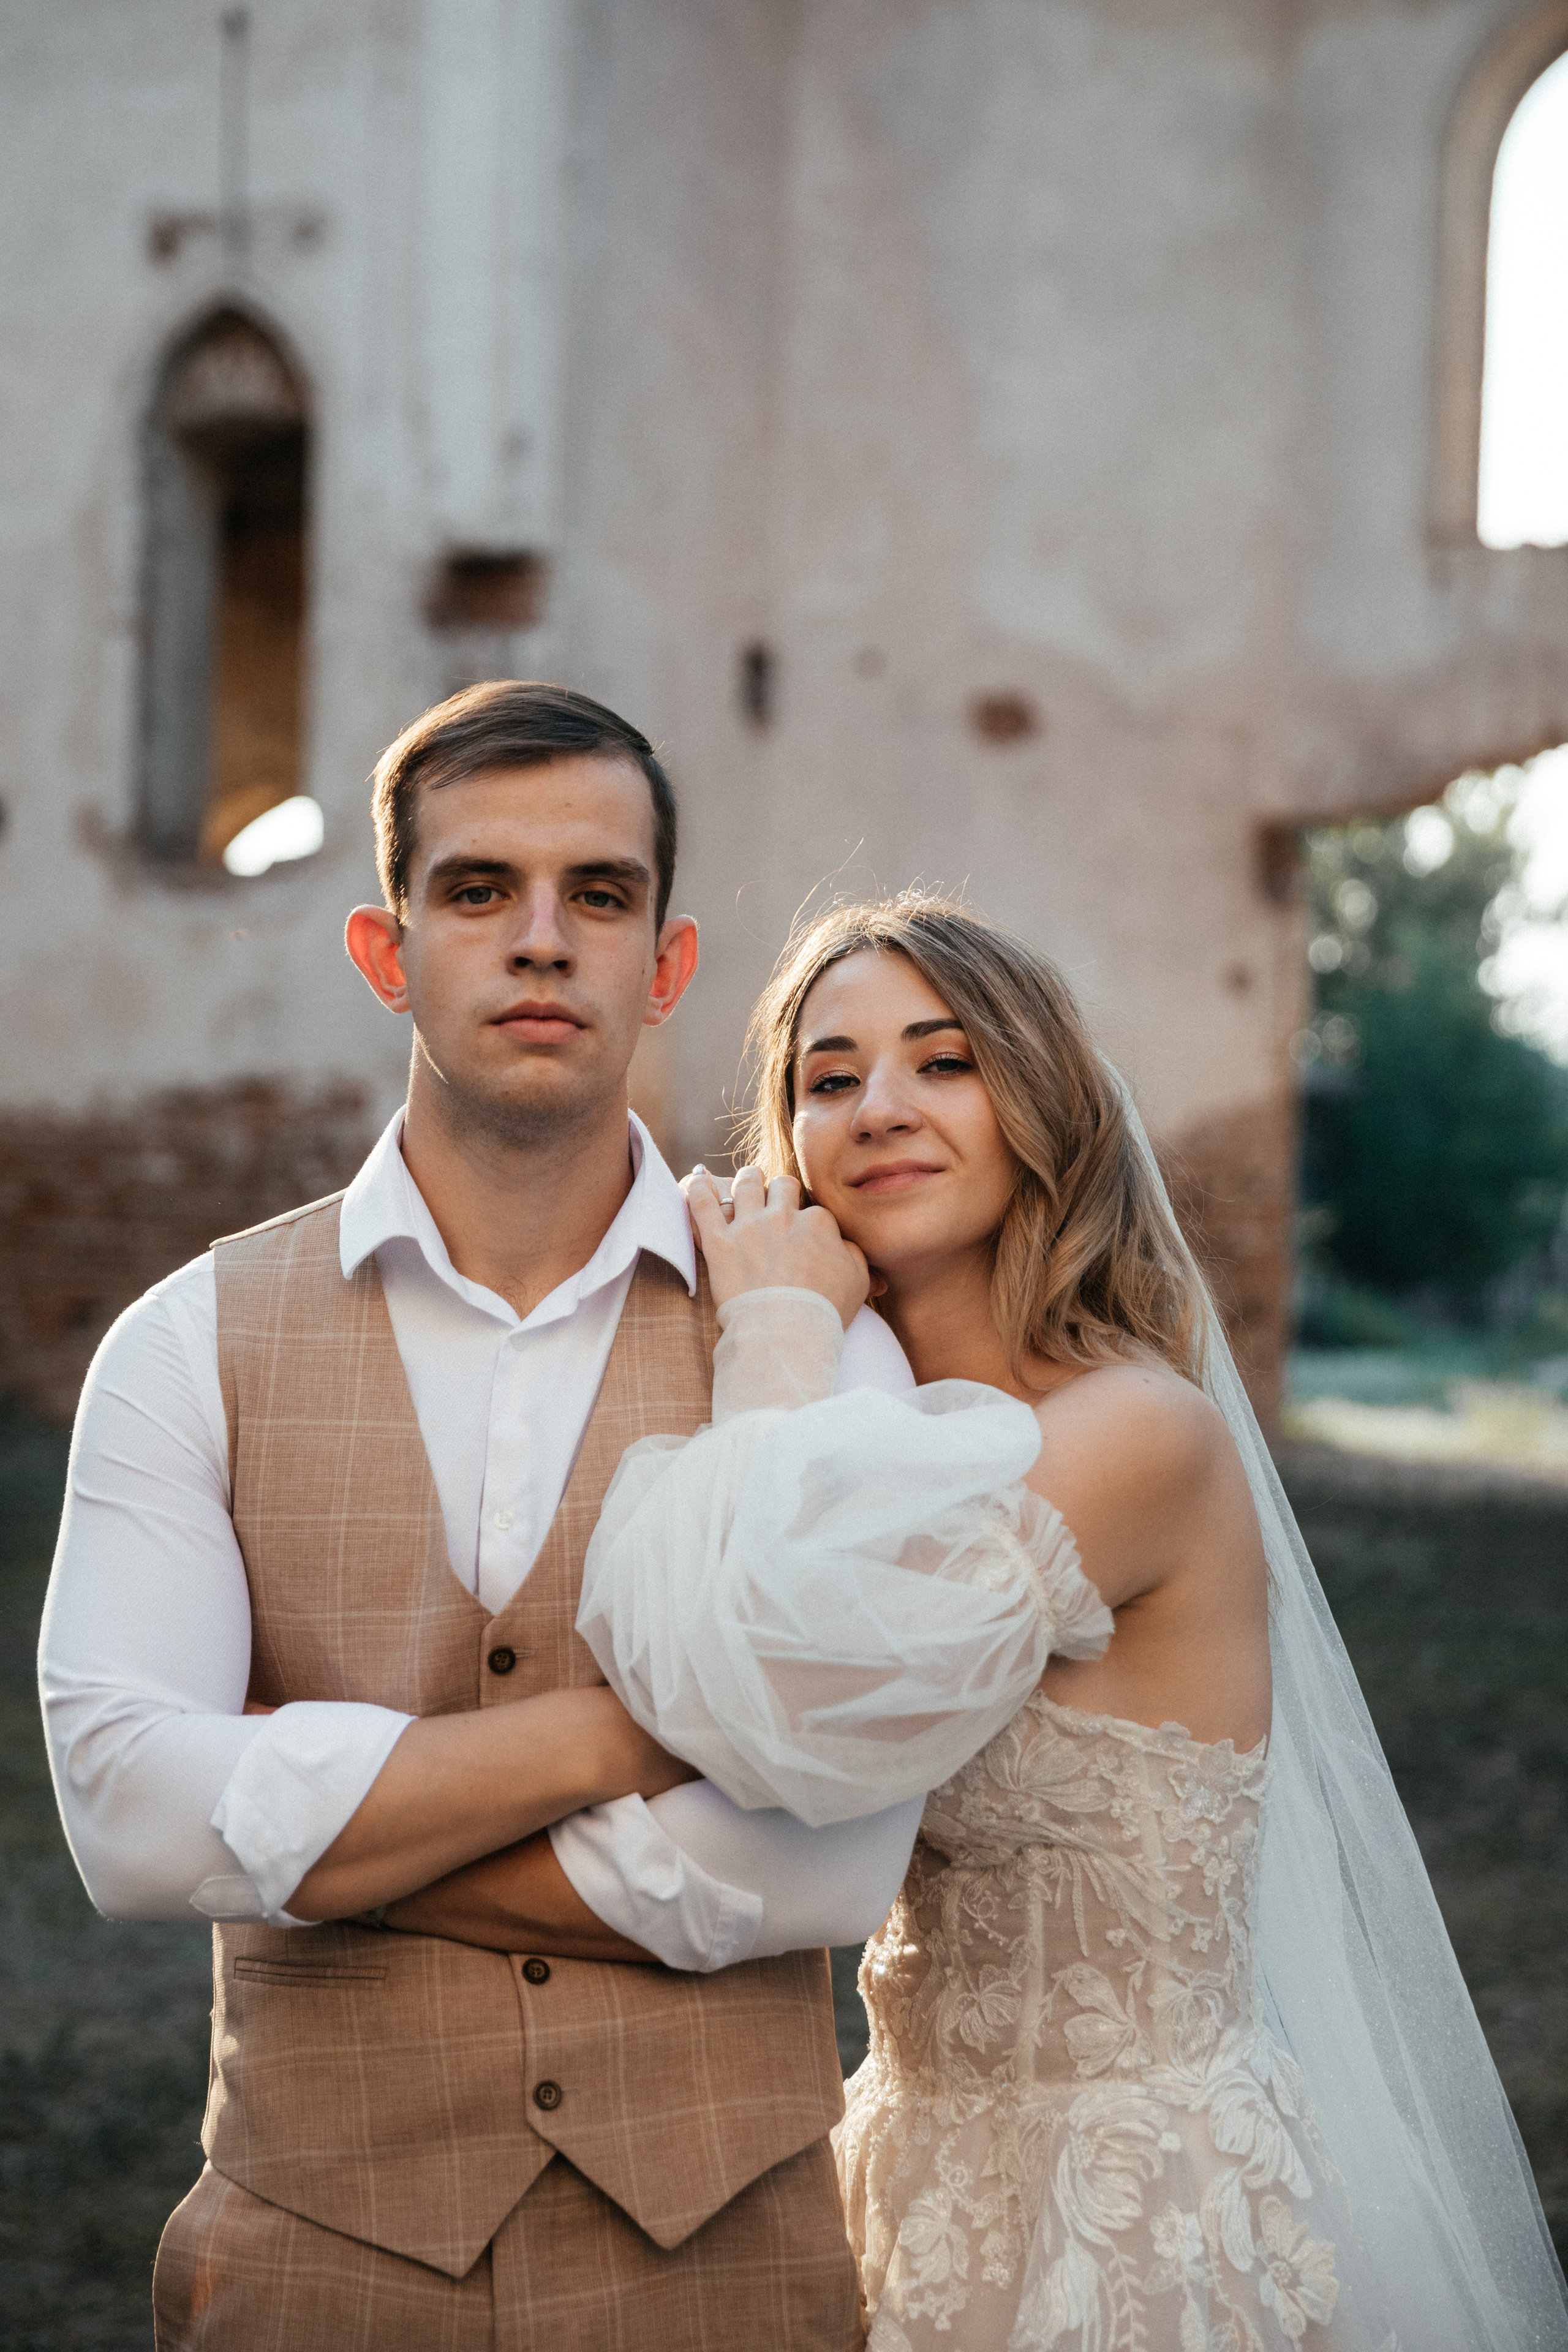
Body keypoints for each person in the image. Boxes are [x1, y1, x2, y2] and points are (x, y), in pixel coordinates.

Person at [37, 681, 933, 2352]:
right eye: (477, 892)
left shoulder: (817, 1335)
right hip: (310, 2267)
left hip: (729, 2270)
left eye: (599, 895)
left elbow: (828, 1858)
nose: (541, 941)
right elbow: (131, 1821)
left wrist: (316, 1810)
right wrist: (675, 1721)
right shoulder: (187, 1344)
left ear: (665, 968)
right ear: (390, 955)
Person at [572, 893, 1568, 2351]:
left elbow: (773, 1690)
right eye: (829, 1078)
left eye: (945, 1060)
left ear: (1037, 1105)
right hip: (904, 2174)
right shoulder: (877, 1430)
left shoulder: (1136, 1437)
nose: (879, 1109)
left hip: (1130, 2218)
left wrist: (775, 1333)